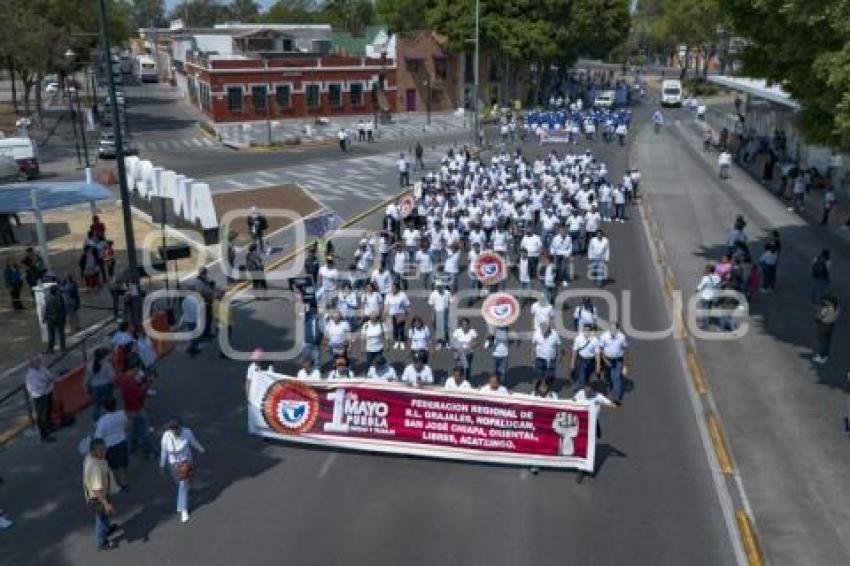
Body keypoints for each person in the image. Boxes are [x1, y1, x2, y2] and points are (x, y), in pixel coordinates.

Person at [159, 418, 206, 523]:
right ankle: (189, 488)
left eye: (177, 429)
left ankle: (183, 509)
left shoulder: (187, 432)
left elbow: (193, 442)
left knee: (182, 485)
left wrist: (201, 448)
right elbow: (164, 452)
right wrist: (162, 465)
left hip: (186, 461)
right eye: (173, 429)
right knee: (179, 483)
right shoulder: (166, 436)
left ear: (181, 427)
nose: (176, 431)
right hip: (173, 464)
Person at [572, 382, 615, 483]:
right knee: (580, 445)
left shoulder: (598, 397)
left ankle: (582, 469)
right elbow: (572, 402)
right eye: (586, 388)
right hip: (581, 425)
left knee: (589, 447)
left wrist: (616, 405)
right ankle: (580, 466)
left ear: (594, 391)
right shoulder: (580, 393)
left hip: (592, 426)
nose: (587, 391)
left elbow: (610, 403)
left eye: (590, 390)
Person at [83, 438, 119, 550]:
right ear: (93, 451)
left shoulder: (91, 457)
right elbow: (96, 490)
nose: (105, 451)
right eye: (101, 450)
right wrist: (106, 504)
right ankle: (102, 542)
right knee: (102, 519)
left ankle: (107, 529)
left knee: (104, 518)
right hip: (98, 499)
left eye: (105, 448)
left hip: (100, 495)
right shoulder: (95, 468)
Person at [94, 396, 129, 489]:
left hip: (110, 445)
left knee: (114, 465)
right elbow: (126, 425)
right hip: (122, 441)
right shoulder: (122, 414)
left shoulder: (103, 421)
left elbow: (98, 436)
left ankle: (119, 482)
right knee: (122, 463)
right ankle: (124, 481)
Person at [117, 370, 152, 459]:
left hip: (129, 410)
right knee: (144, 431)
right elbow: (140, 394)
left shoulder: (124, 383)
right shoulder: (132, 385)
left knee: (133, 430)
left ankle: (133, 446)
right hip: (138, 409)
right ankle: (146, 452)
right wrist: (146, 386)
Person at [25, 355, 55, 442]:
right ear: (32, 364)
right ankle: (44, 435)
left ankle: (49, 427)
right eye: (37, 361)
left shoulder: (41, 368)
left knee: (49, 410)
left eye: (39, 361)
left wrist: (48, 383)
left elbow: (49, 376)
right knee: (42, 416)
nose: (39, 363)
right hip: (40, 396)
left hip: (47, 392)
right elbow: (39, 387)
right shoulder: (31, 375)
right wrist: (48, 383)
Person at [599, 322, 629, 404]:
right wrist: (605, 360)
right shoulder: (604, 336)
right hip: (606, 359)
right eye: (610, 329)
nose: (612, 331)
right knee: (608, 377)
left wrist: (625, 366)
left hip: (618, 360)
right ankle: (611, 386)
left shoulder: (622, 337)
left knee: (616, 378)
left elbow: (625, 350)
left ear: (618, 329)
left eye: (614, 329)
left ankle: (616, 398)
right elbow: (600, 350)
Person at [86, 347, 116, 422]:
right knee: (108, 404)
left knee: (97, 404)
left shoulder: (89, 365)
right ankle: (109, 420)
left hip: (95, 387)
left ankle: (96, 421)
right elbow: (111, 376)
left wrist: (87, 387)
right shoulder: (107, 365)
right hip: (105, 386)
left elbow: (87, 378)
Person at [571, 325, 600, 391]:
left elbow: (597, 353)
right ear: (583, 331)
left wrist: (598, 365)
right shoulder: (578, 338)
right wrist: (572, 363)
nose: (586, 332)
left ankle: (584, 387)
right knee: (582, 376)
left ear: (590, 331)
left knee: (588, 377)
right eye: (585, 330)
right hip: (582, 360)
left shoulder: (595, 340)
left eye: (588, 330)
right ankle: (581, 393)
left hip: (591, 361)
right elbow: (574, 351)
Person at [813, 296, 839, 364]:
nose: (824, 302)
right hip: (831, 325)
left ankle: (821, 356)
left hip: (824, 325)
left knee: (822, 341)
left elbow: (819, 317)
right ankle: (826, 355)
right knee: (827, 341)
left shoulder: (826, 308)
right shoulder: (837, 308)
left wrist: (818, 317)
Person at [385, 282, 410, 350]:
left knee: (401, 329)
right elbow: (387, 305)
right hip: (392, 314)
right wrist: (385, 313)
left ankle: (402, 341)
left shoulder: (402, 295)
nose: (392, 289)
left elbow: (407, 304)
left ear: (398, 288)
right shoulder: (388, 295)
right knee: (395, 329)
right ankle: (396, 341)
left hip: (401, 314)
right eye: (392, 287)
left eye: (394, 288)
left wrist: (406, 313)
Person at [43, 285, 67, 353]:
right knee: (61, 334)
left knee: (51, 334)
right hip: (59, 318)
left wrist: (45, 317)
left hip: (51, 319)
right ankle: (63, 348)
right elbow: (63, 308)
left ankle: (50, 349)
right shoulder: (59, 297)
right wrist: (64, 318)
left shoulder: (47, 298)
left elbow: (46, 309)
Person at [428, 285, 452, 350]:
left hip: (445, 312)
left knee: (446, 328)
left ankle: (447, 342)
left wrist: (450, 313)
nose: (439, 288)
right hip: (437, 312)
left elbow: (450, 303)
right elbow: (432, 306)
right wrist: (432, 316)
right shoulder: (433, 294)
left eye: (440, 286)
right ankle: (439, 343)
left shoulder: (447, 293)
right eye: (438, 287)